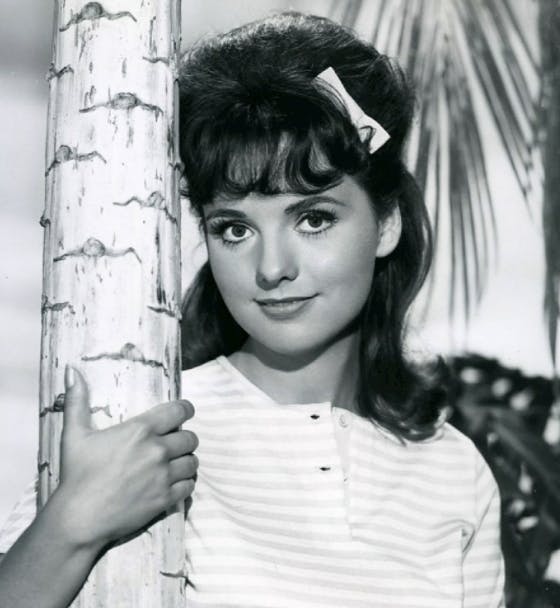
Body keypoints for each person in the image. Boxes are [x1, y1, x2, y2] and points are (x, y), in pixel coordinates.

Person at [0, 11, 504, 607]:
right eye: (234, 229)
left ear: (386, 223)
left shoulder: (455, 472)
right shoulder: (152, 427)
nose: (271, 268)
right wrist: (72, 524)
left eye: (313, 218)